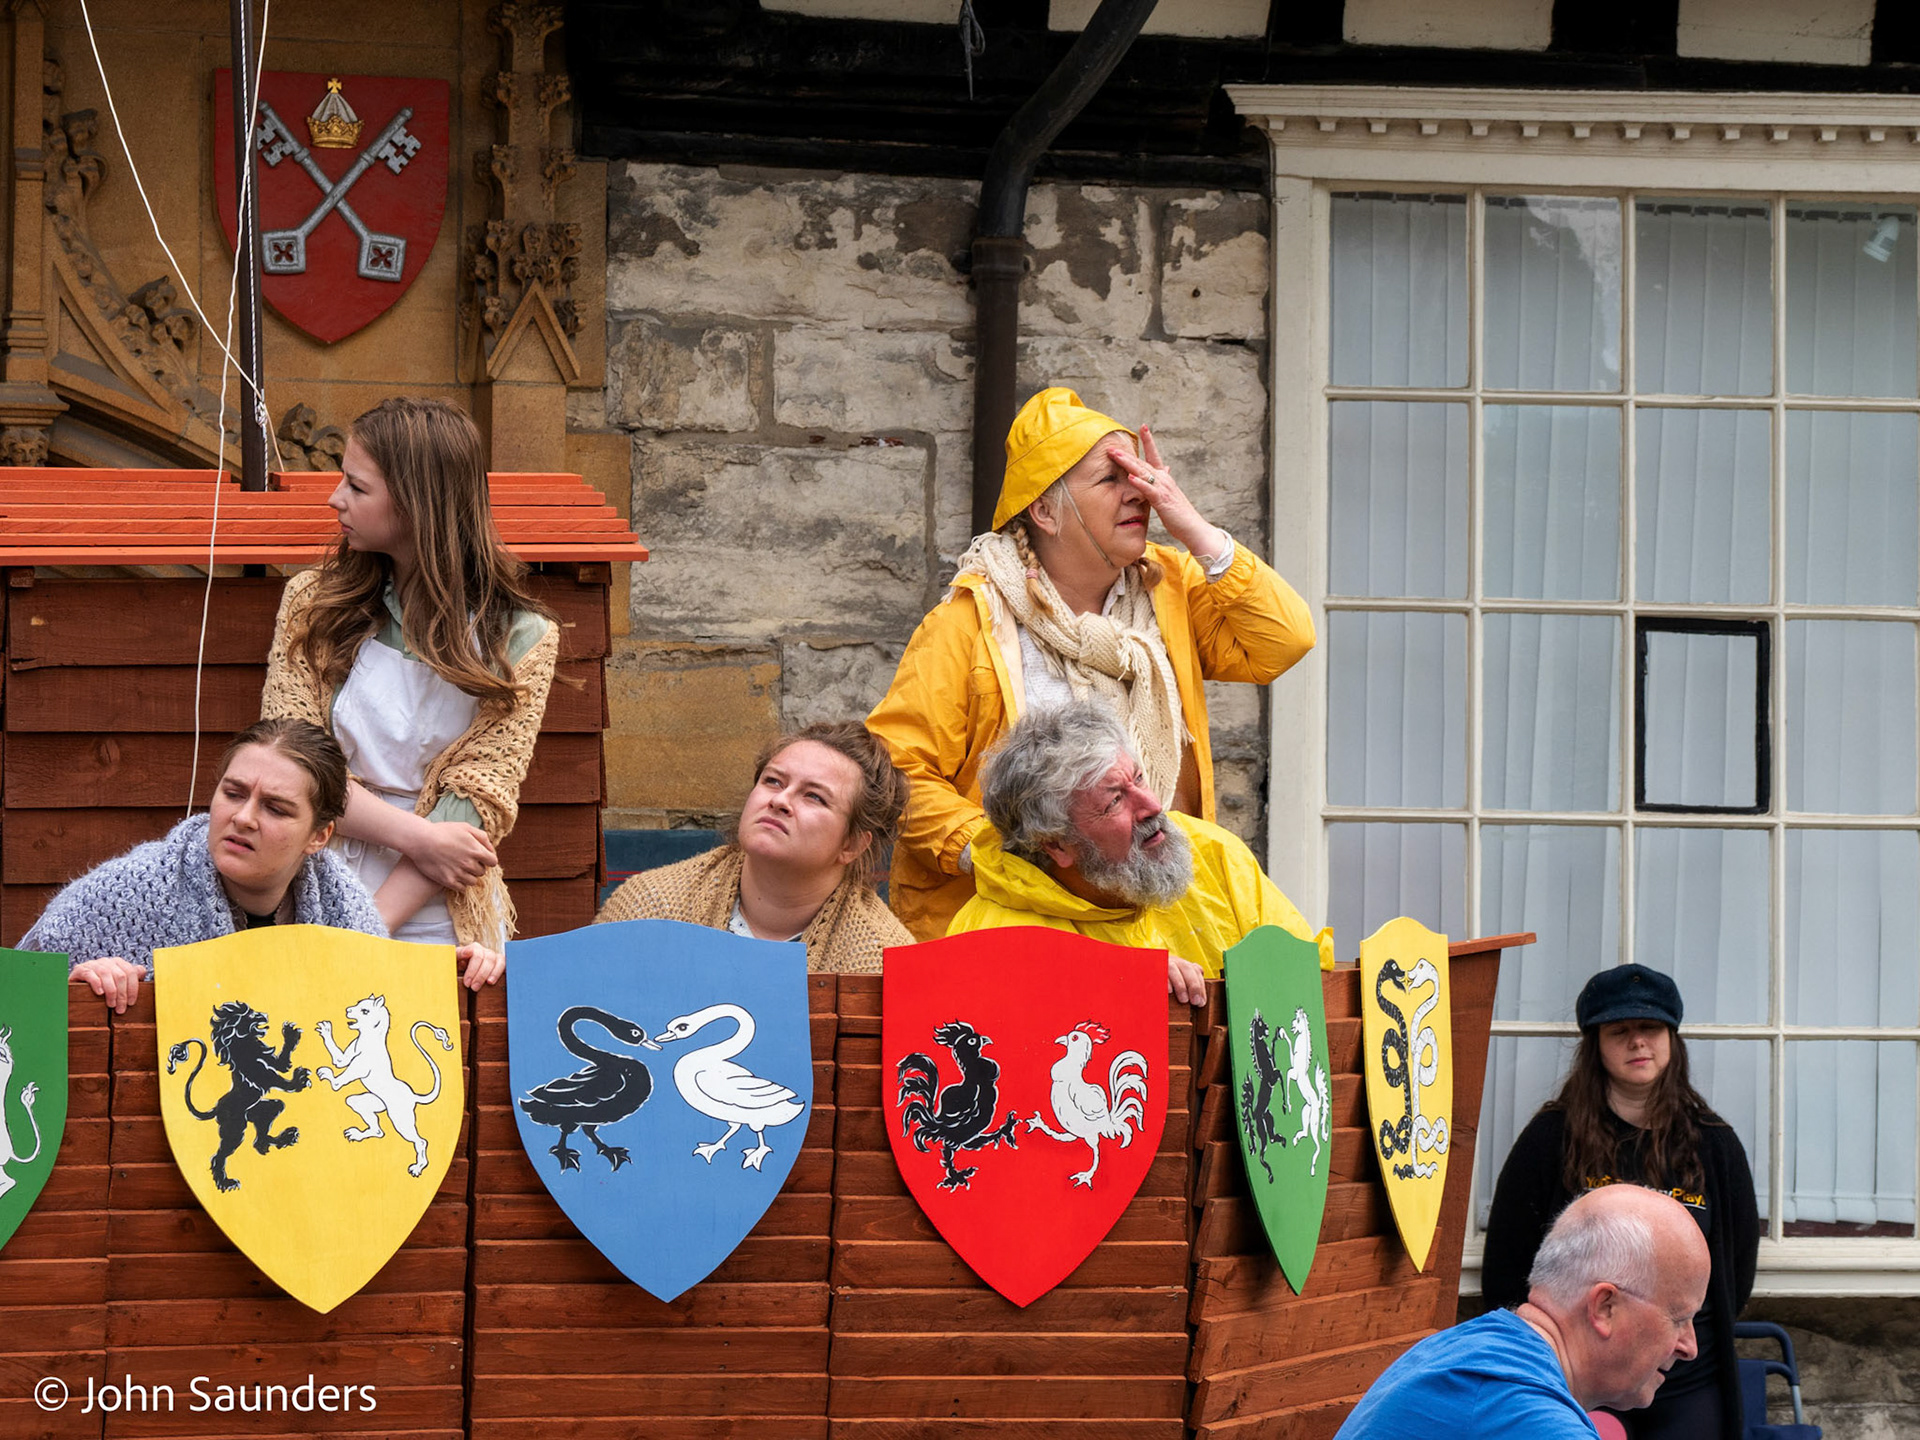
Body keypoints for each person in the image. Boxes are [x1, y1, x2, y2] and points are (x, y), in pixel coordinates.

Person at [868, 386, 1314, 941]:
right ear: (1045, 512)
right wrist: (1001, 858)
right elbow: (895, 770)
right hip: (1012, 930)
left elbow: (1284, 641)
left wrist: (1194, 528)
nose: (1140, 494)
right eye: (1111, 479)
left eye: (1140, 477)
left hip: (1165, 926)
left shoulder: (1171, 589)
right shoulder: (967, 624)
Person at [261, 397, 558, 951]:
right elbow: (294, 765)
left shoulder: (521, 637)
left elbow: (479, 796)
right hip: (317, 878)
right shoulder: (312, 605)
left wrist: (368, 930)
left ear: (418, 503)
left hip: (440, 905)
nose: (335, 498)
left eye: (357, 487)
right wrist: (420, 838)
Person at [28, 720, 507, 1013]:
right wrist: (77, 984)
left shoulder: (344, 913)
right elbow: (21, 1006)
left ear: (319, 836)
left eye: (276, 808)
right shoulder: (124, 894)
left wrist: (448, 977)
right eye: (233, 793)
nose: (243, 817)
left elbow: (376, 1000)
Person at [1482, 965, 1759, 1440]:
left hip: (1687, 1381)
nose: (1637, 1042)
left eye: (1651, 1027)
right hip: (1580, 1384)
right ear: (1596, 1044)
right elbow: (1507, 1269)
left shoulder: (1714, 1145)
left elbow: (1736, 1270)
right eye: (1619, 1031)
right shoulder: (1551, 1139)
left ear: (1672, 1039)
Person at [949, 701, 1327, 1003]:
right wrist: (1122, 983)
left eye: (1139, 778)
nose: (1152, 805)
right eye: (1115, 801)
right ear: (1056, 844)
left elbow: (1311, 980)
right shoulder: (991, 939)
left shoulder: (1213, 853)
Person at [1336, 1185, 1710, 1438]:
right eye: (1678, 1318)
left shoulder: (1471, 1351)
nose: (1690, 1347)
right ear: (1604, 1307)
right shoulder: (1525, 1412)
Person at [595, 722, 913, 973]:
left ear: (852, 844)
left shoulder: (881, 961)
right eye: (773, 781)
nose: (780, 800)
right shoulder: (649, 908)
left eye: (814, 796)